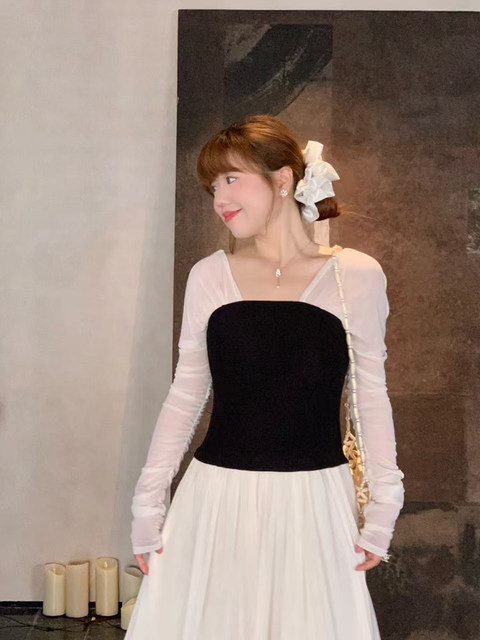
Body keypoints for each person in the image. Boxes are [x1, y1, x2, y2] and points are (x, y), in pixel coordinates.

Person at [125, 114, 405, 639]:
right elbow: (185, 395)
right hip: (216, 500)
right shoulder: (210, 275)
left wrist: (385, 507)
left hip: (315, 503)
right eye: (213, 187)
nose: (220, 198)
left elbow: (370, 395)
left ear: (282, 179)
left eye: (231, 179)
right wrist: (148, 502)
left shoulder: (355, 275)